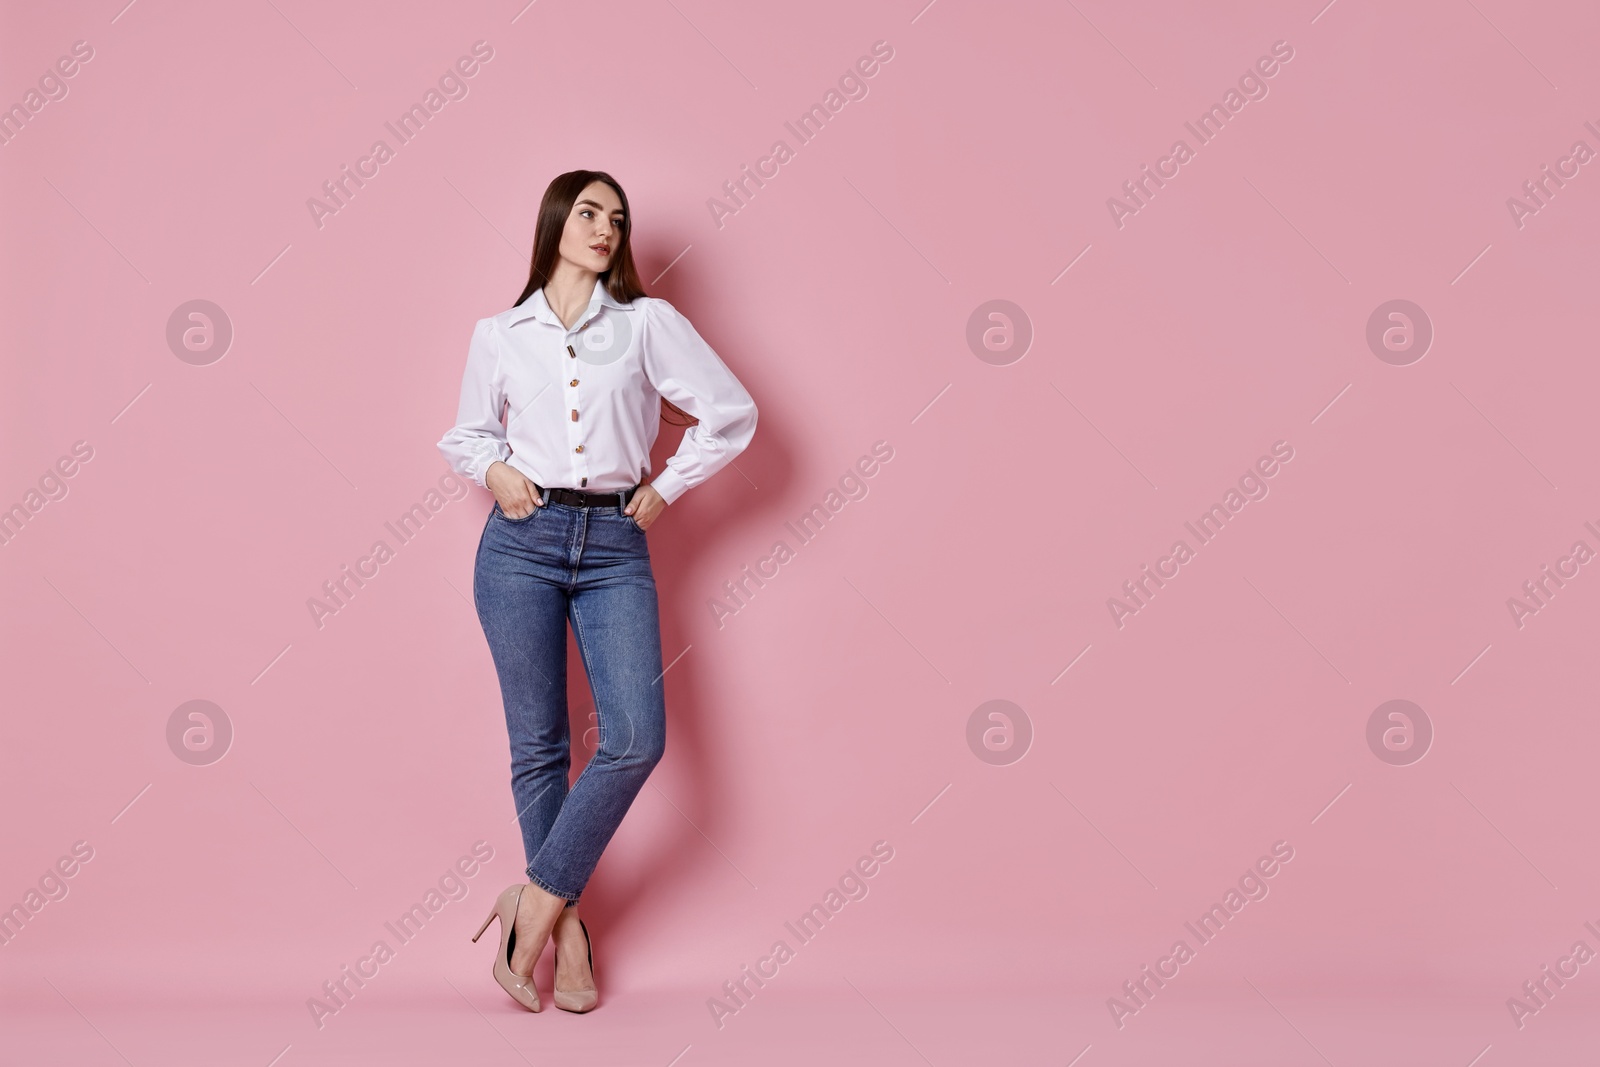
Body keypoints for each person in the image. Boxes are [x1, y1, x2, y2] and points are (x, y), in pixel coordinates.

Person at [439, 169, 757, 1012]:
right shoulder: (500, 334)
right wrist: (496, 467)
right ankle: (570, 938)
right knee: (538, 748)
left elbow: (730, 412)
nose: (605, 228)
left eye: (617, 218)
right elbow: (465, 433)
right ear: (554, 221)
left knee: (634, 738)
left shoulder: (648, 323)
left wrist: (671, 484)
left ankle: (534, 906)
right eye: (589, 212)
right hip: (520, 544)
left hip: (617, 541)